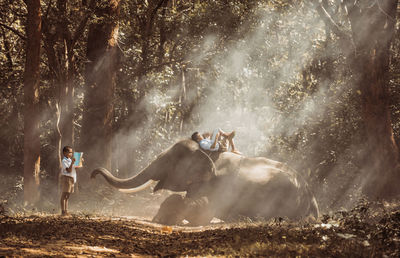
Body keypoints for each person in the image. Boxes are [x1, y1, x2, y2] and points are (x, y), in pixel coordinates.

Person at [60, 146, 78, 216]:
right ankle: (63, 211)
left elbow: (74, 169)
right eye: (69, 152)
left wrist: (79, 162)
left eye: (71, 152)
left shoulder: (70, 160)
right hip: (67, 179)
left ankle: (66, 211)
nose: (71, 153)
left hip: (72, 179)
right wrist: (72, 163)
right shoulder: (64, 161)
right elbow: (69, 170)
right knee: (64, 195)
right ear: (65, 153)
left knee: (67, 196)